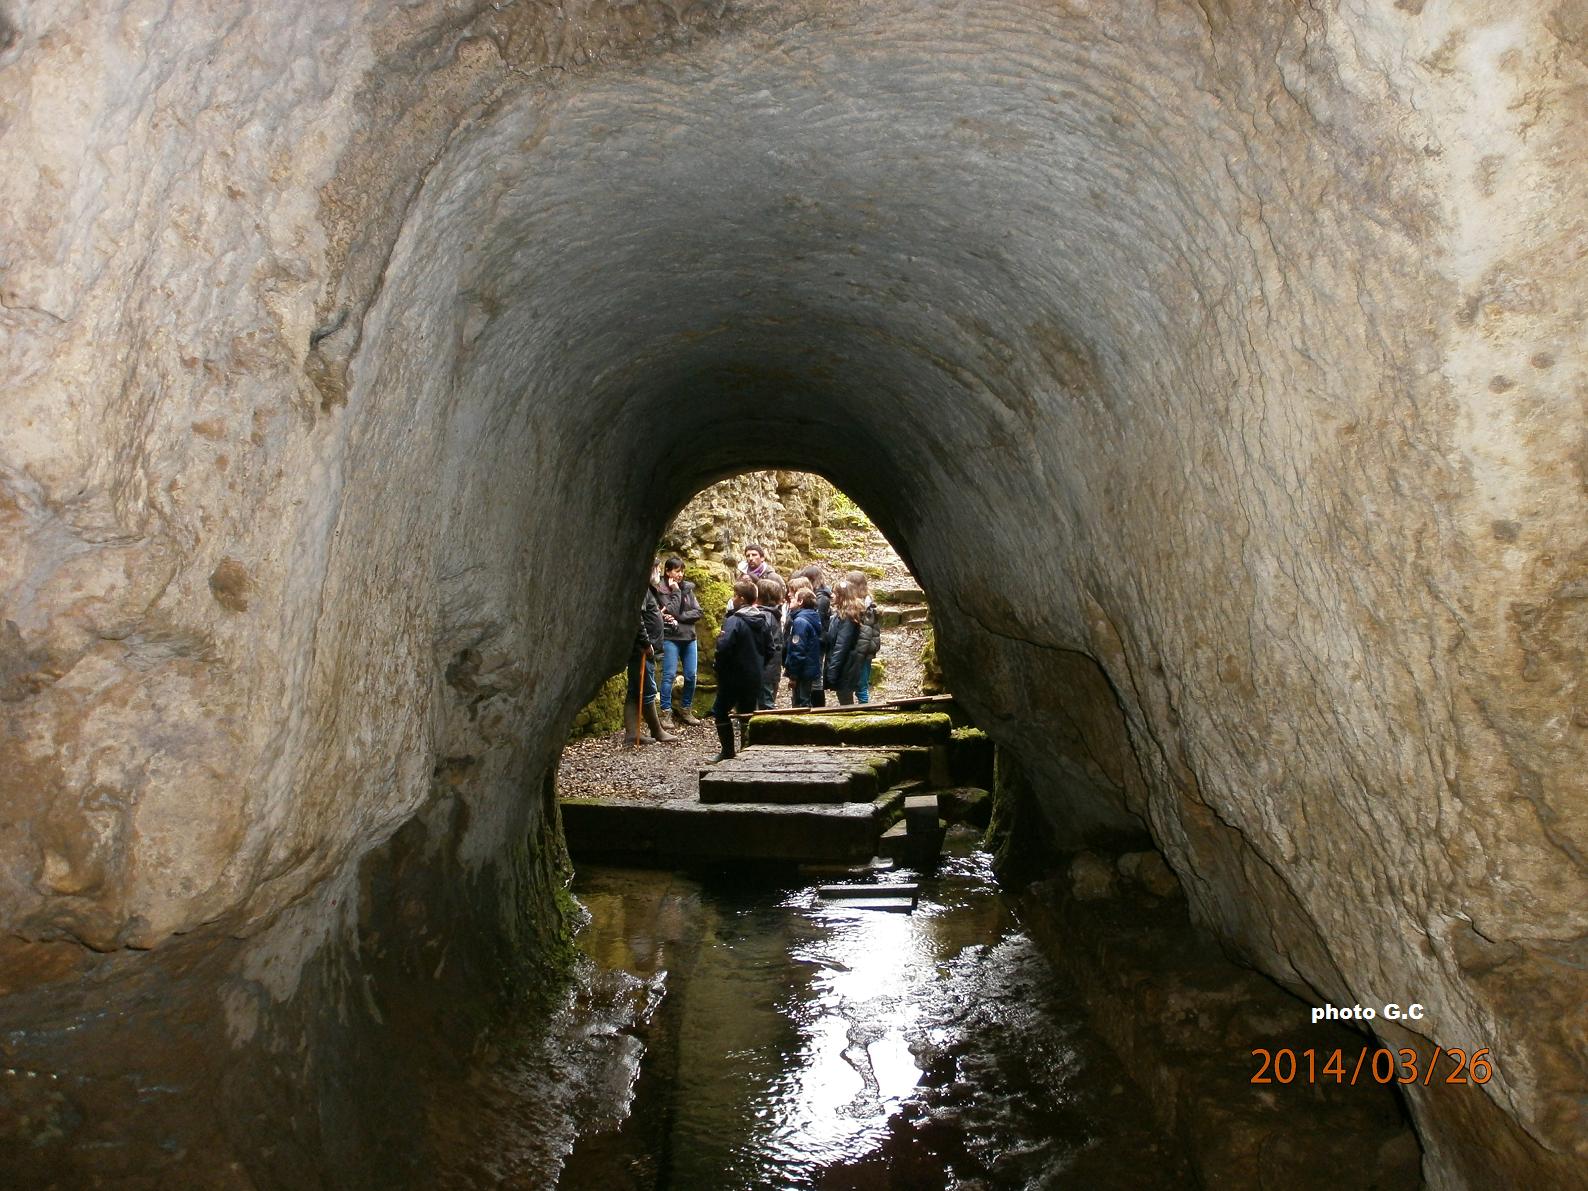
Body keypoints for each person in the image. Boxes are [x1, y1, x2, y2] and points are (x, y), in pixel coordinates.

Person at [711, 578, 770, 761]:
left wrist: (720, 667)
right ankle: (747, 752)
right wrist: (759, 666)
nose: (733, 598)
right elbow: (771, 649)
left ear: (742, 598)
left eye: (735, 595)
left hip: (732, 677)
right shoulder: (764, 620)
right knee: (747, 713)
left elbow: (724, 647)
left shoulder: (734, 621)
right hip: (754, 676)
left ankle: (728, 751)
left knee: (720, 710)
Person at [623, 562, 680, 747]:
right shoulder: (640, 589)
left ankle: (633, 734)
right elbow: (637, 619)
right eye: (655, 568)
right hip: (641, 650)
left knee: (634, 692)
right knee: (646, 691)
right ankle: (656, 731)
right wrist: (646, 643)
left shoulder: (647, 589)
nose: (657, 571)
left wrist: (661, 617)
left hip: (644, 649)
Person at [656, 557, 704, 726]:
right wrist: (675, 591)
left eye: (682, 571)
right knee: (669, 675)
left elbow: (698, 612)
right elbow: (670, 609)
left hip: (689, 638)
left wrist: (680, 617)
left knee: (691, 676)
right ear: (668, 571)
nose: (680, 575)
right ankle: (665, 712)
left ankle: (685, 709)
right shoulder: (660, 590)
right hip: (671, 637)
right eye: (676, 571)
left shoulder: (689, 589)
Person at [824, 571, 881, 705]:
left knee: (861, 686)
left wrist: (859, 653)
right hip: (856, 653)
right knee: (855, 686)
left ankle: (865, 710)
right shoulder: (850, 608)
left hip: (861, 653)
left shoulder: (863, 608)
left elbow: (865, 635)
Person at [793, 565, 833, 706]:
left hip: (817, 641)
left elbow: (819, 621)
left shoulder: (821, 599)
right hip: (815, 639)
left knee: (815, 679)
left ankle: (818, 707)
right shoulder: (819, 596)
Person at [783, 588, 824, 707]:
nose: (790, 599)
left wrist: (793, 676)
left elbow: (797, 650)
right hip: (808, 669)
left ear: (800, 602)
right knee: (804, 700)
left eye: (794, 598)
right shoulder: (812, 618)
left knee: (801, 703)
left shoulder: (800, 622)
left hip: (802, 672)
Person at [754, 575, 786, 709]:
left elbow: (764, 644)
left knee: (765, 704)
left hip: (765, 669)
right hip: (771, 668)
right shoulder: (773, 614)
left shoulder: (765, 616)